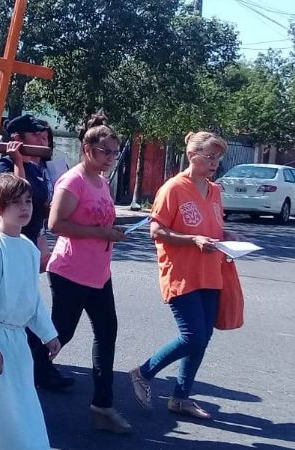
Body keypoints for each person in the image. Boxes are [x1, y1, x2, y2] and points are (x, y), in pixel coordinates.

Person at [128, 132, 235, 420]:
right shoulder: (173, 188)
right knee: (192, 335)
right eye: (210, 156)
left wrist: (227, 236)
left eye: (218, 157)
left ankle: (180, 398)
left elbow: (213, 228)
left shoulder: (214, 191)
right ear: (192, 155)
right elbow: (157, 231)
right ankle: (143, 372)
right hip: (182, 273)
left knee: (203, 337)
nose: (215, 162)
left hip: (211, 273)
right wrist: (193, 240)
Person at [45, 113, 131, 434]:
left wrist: (113, 231)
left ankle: (103, 407)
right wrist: (101, 234)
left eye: (114, 152)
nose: (110, 158)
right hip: (70, 272)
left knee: (107, 333)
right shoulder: (73, 181)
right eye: (105, 151)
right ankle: (14, 374)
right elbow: (56, 225)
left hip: (99, 273)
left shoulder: (102, 181)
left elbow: (99, 222)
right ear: (87, 149)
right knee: (59, 334)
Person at [0, 173, 61, 450]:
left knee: (21, 395)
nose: (24, 208)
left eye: (28, 201)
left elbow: (31, 298)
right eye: (15, 203)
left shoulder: (29, 249)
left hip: (17, 336)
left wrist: (48, 333)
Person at [0, 114, 73, 392]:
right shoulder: (7, 164)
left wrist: (40, 237)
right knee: (10, 305)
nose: (43, 140)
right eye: (36, 135)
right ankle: (22, 366)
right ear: (18, 138)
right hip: (9, 241)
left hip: (29, 241)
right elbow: (16, 195)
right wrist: (17, 162)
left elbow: (37, 206)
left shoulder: (39, 166)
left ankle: (34, 366)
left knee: (28, 301)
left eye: (45, 136)